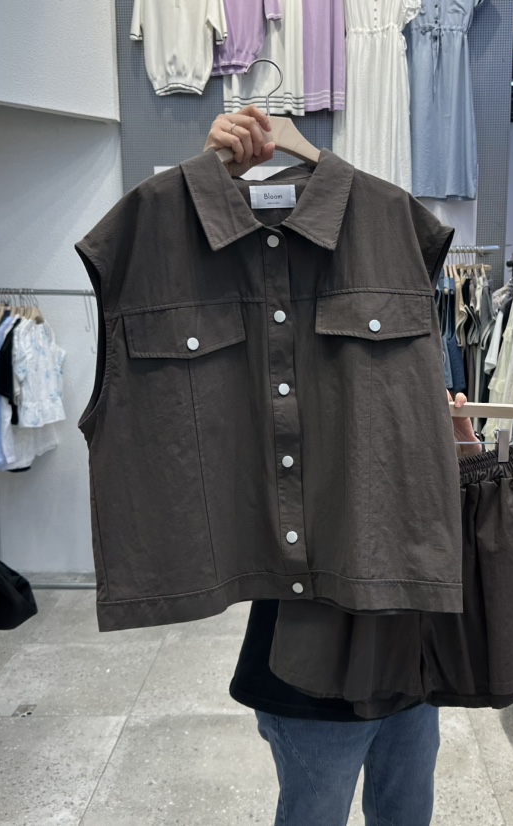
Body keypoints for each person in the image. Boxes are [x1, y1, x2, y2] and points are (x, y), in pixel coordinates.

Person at [204, 107, 481, 826]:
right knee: (315, 810)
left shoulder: (395, 238)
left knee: (406, 809)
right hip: (308, 642)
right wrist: (208, 183)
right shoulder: (223, 262)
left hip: (406, 634)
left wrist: (454, 444)